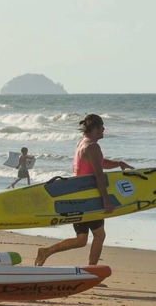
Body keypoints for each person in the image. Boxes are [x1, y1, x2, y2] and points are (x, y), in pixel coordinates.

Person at [35, 114, 134, 267]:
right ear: (95, 128)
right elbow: (99, 174)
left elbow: (99, 163)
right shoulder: (93, 146)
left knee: (81, 239)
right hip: (89, 198)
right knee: (99, 235)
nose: (104, 129)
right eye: (102, 127)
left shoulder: (82, 143)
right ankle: (92, 269)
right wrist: (106, 200)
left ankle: (46, 251)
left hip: (76, 196)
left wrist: (118, 163)